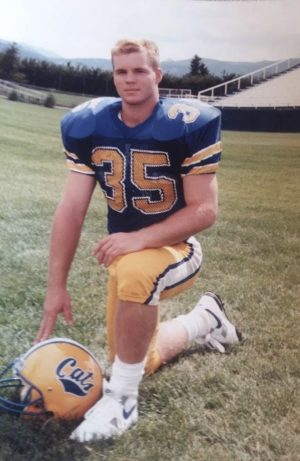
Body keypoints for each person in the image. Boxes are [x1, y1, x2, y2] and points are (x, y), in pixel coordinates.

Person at [35, 39, 241, 442]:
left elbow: (205, 212)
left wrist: (138, 238)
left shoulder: (188, 122)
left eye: (139, 70)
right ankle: (207, 319)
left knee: (133, 272)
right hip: (129, 253)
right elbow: (71, 209)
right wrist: (56, 285)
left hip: (177, 248)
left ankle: (122, 401)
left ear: (158, 75)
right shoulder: (89, 124)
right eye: (121, 72)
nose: (129, 80)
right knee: (135, 358)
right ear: (113, 75)